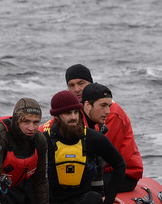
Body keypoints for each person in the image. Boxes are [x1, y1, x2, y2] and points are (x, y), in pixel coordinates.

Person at [43, 90, 127, 204]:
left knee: (95, 199)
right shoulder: (45, 140)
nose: (73, 117)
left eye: (76, 112)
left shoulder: (93, 138)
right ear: (57, 116)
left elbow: (120, 165)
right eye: (68, 113)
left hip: (82, 202)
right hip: (53, 203)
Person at [61, 64, 144, 192]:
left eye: (81, 83)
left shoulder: (110, 112)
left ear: (91, 83)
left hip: (121, 174)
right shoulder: (78, 109)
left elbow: (99, 153)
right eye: (71, 85)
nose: (76, 89)